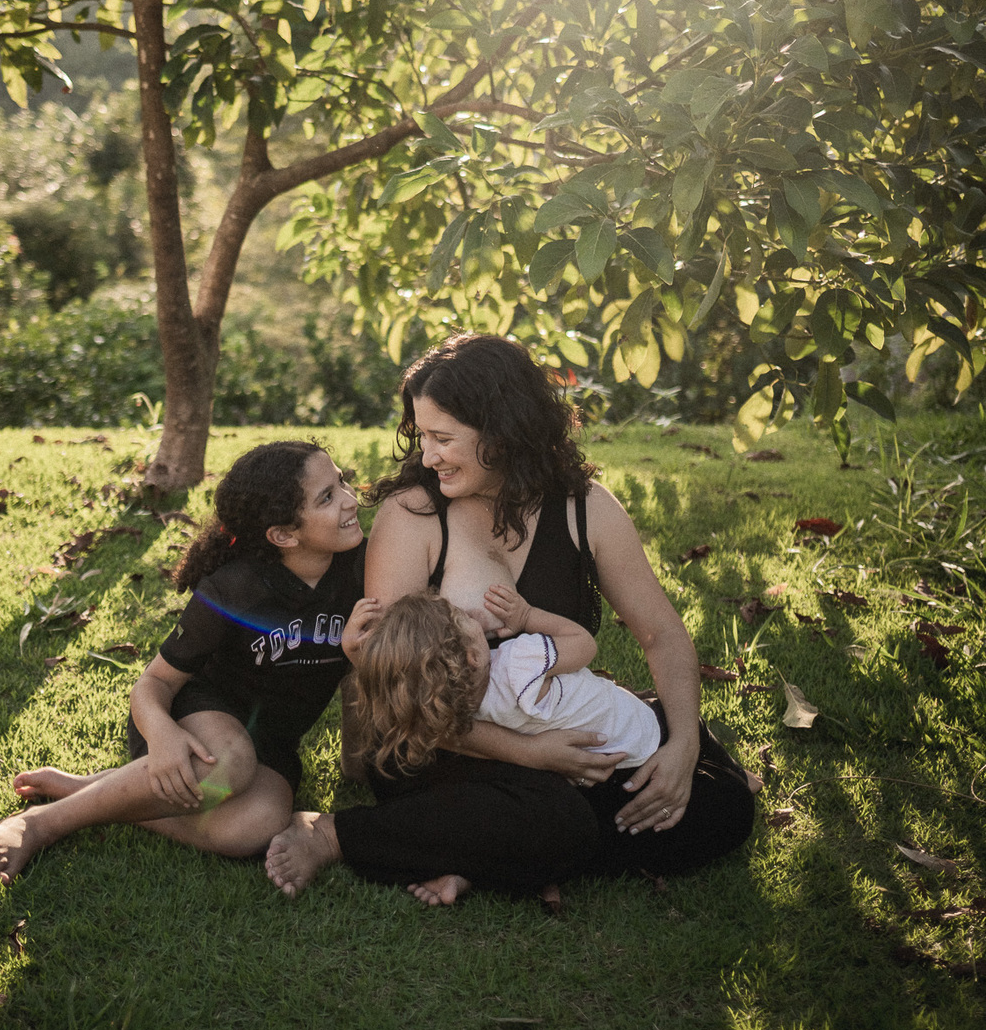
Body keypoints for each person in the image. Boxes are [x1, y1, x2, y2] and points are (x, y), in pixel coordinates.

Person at [265, 333, 758, 904]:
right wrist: (531, 754)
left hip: (552, 718)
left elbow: (661, 633)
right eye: (423, 437)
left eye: (443, 438)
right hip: (440, 743)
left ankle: (482, 855)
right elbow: (403, 694)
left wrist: (682, 750)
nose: (428, 456)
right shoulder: (414, 516)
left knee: (722, 806)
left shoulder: (586, 509)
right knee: (557, 819)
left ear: (501, 432)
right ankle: (335, 834)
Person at [0, 441, 364, 886]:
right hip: (192, 717)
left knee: (258, 825)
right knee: (227, 762)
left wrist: (358, 761)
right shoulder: (235, 588)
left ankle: (91, 790)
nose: (351, 499)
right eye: (327, 497)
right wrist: (162, 735)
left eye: (341, 482)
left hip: (271, 740)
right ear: (282, 535)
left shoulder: (363, 569)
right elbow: (154, 682)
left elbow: (366, 669)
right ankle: (41, 824)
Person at [354, 581, 665, 781]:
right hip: (638, 728)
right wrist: (527, 616)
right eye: (464, 618)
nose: (473, 614)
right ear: (472, 658)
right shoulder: (519, 663)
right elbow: (584, 645)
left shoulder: (463, 712)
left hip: (604, 765)